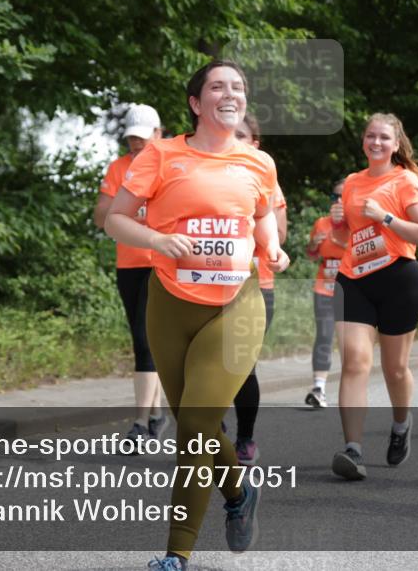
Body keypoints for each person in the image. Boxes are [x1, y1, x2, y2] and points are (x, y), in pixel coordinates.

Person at [105, 60, 289, 570]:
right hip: (169, 303)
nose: (230, 94)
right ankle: (238, 492)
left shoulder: (259, 162)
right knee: (198, 423)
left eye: (238, 87)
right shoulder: (162, 155)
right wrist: (159, 239)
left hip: (237, 305)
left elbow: (263, 220)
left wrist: (272, 248)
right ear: (195, 103)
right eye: (217, 87)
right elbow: (115, 220)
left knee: (195, 423)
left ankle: (176, 555)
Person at [329, 112, 418, 480]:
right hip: (353, 278)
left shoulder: (405, 181)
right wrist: (339, 223)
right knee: (355, 361)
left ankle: (402, 423)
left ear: (395, 144)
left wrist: (385, 217)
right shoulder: (353, 183)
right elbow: (347, 238)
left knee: (395, 369)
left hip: (398, 280)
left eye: (384, 138)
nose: (376, 143)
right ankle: (353, 450)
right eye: (370, 136)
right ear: (363, 141)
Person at [93, 104, 168, 445]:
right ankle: (155, 413)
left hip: (161, 263)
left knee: (145, 338)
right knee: (143, 339)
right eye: (131, 138)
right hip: (128, 264)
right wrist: (133, 209)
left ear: (158, 134)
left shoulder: (169, 165)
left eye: (142, 138)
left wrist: (127, 211)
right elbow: (101, 216)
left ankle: (140, 423)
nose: (136, 145)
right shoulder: (118, 168)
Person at [231, 114, 288, 465]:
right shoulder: (204, 172)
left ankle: (245, 438)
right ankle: (211, 431)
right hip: (204, 285)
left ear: (255, 143)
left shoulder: (266, 180)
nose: (233, 139)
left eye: (242, 135)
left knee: (240, 366)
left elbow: (278, 236)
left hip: (254, 286)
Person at [304, 179, 347, 409]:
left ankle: (351, 389)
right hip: (325, 287)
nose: (338, 202)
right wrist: (313, 244)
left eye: (343, 196)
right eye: (334, 197)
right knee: (324, 336)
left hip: (353, 290)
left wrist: (342, 228)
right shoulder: (321, 223)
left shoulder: (361, 225)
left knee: (350, 341)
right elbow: (311, 254)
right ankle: (318, 388)